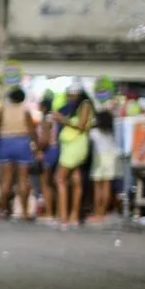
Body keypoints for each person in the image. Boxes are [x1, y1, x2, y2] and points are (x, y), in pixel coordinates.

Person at [0, 87, 39, 221]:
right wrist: (37, 147)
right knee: (23, 179)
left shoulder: (3, 110)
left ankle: (4, 210)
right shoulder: (25, 111)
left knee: (6, 179)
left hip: (5, 143)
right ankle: (24, 212)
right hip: (22, 143)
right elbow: (32, 131)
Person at [55, 85, 94, 229]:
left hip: (75, 146)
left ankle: (64, 216)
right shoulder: (78, 107)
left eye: (71, 96)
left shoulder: (85, 105)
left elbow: (81, 125)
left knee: (60, 179)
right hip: (72, 145)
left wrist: (62, 119)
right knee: (76, 178)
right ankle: (73, 216)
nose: (69, 98)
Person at [89, 108, 119, 223]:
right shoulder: (111, 132)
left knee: (98, 188)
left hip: (99, 158)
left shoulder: (94, 132)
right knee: (107, 186)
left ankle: (97, 213)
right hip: (112, 157)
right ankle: (103, 212)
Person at [36, 94, 60, 222]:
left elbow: (44, 139)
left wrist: (37, 149)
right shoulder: (54, 118)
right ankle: (56, 211)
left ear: (43, 107)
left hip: (48, 151)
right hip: (55, 150)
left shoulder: (46, 119)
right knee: (52, 182)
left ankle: (49, 212)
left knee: (45, 183)